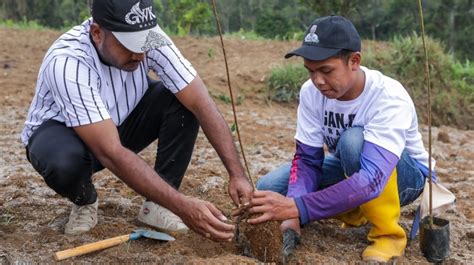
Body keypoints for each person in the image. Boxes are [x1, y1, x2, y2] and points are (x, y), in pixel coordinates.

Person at [21, 0, 253, 241]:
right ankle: (85, 200)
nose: (139, 54)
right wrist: (183, 207)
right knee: (64, 163)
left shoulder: (147, 37)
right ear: (97, 33)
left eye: (143, 44)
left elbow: (201, 103)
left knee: (183, 102)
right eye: (128, 46)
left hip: (120, 123)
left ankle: (157, 206)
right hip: (67, 135)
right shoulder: (68, 62)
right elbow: (110, 151)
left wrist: (237, 174)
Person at [247, 15, 432, 262]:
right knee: (269, 190)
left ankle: (388, 236)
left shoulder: (388, 96)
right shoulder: (311, 92)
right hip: (350, 168)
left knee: (353, 141)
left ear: (354, 61)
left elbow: (372, 180)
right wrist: (291, 214)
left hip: (403, 178)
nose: (318, 81)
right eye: (310, 71)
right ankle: (355, 208)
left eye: (326, 70)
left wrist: (298, 207)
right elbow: (306, 159)